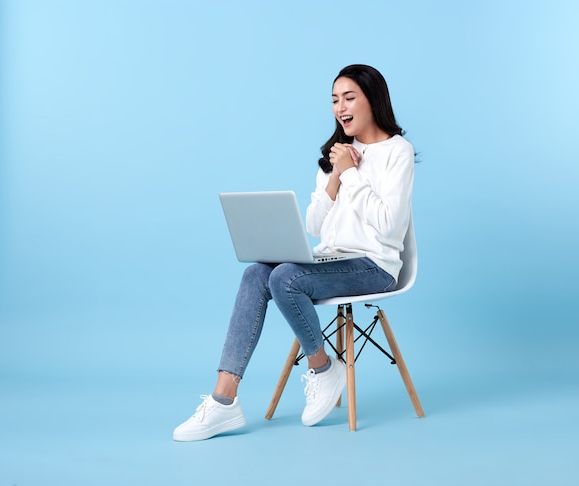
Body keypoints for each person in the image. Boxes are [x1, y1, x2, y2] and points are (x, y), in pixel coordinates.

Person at [173, 64, 415, 441]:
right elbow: (315, 225)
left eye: (349, 98)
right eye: (335, 100)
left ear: (373, 100)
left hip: (374, 266)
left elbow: (388, 225)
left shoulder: (397, 151)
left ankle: (322, 368)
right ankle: (223, 402)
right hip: (332, 259)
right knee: (256, 273)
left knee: (285, 277)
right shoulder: (337, 155)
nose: (340, 107)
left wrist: (352, 173)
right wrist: (336, 174)